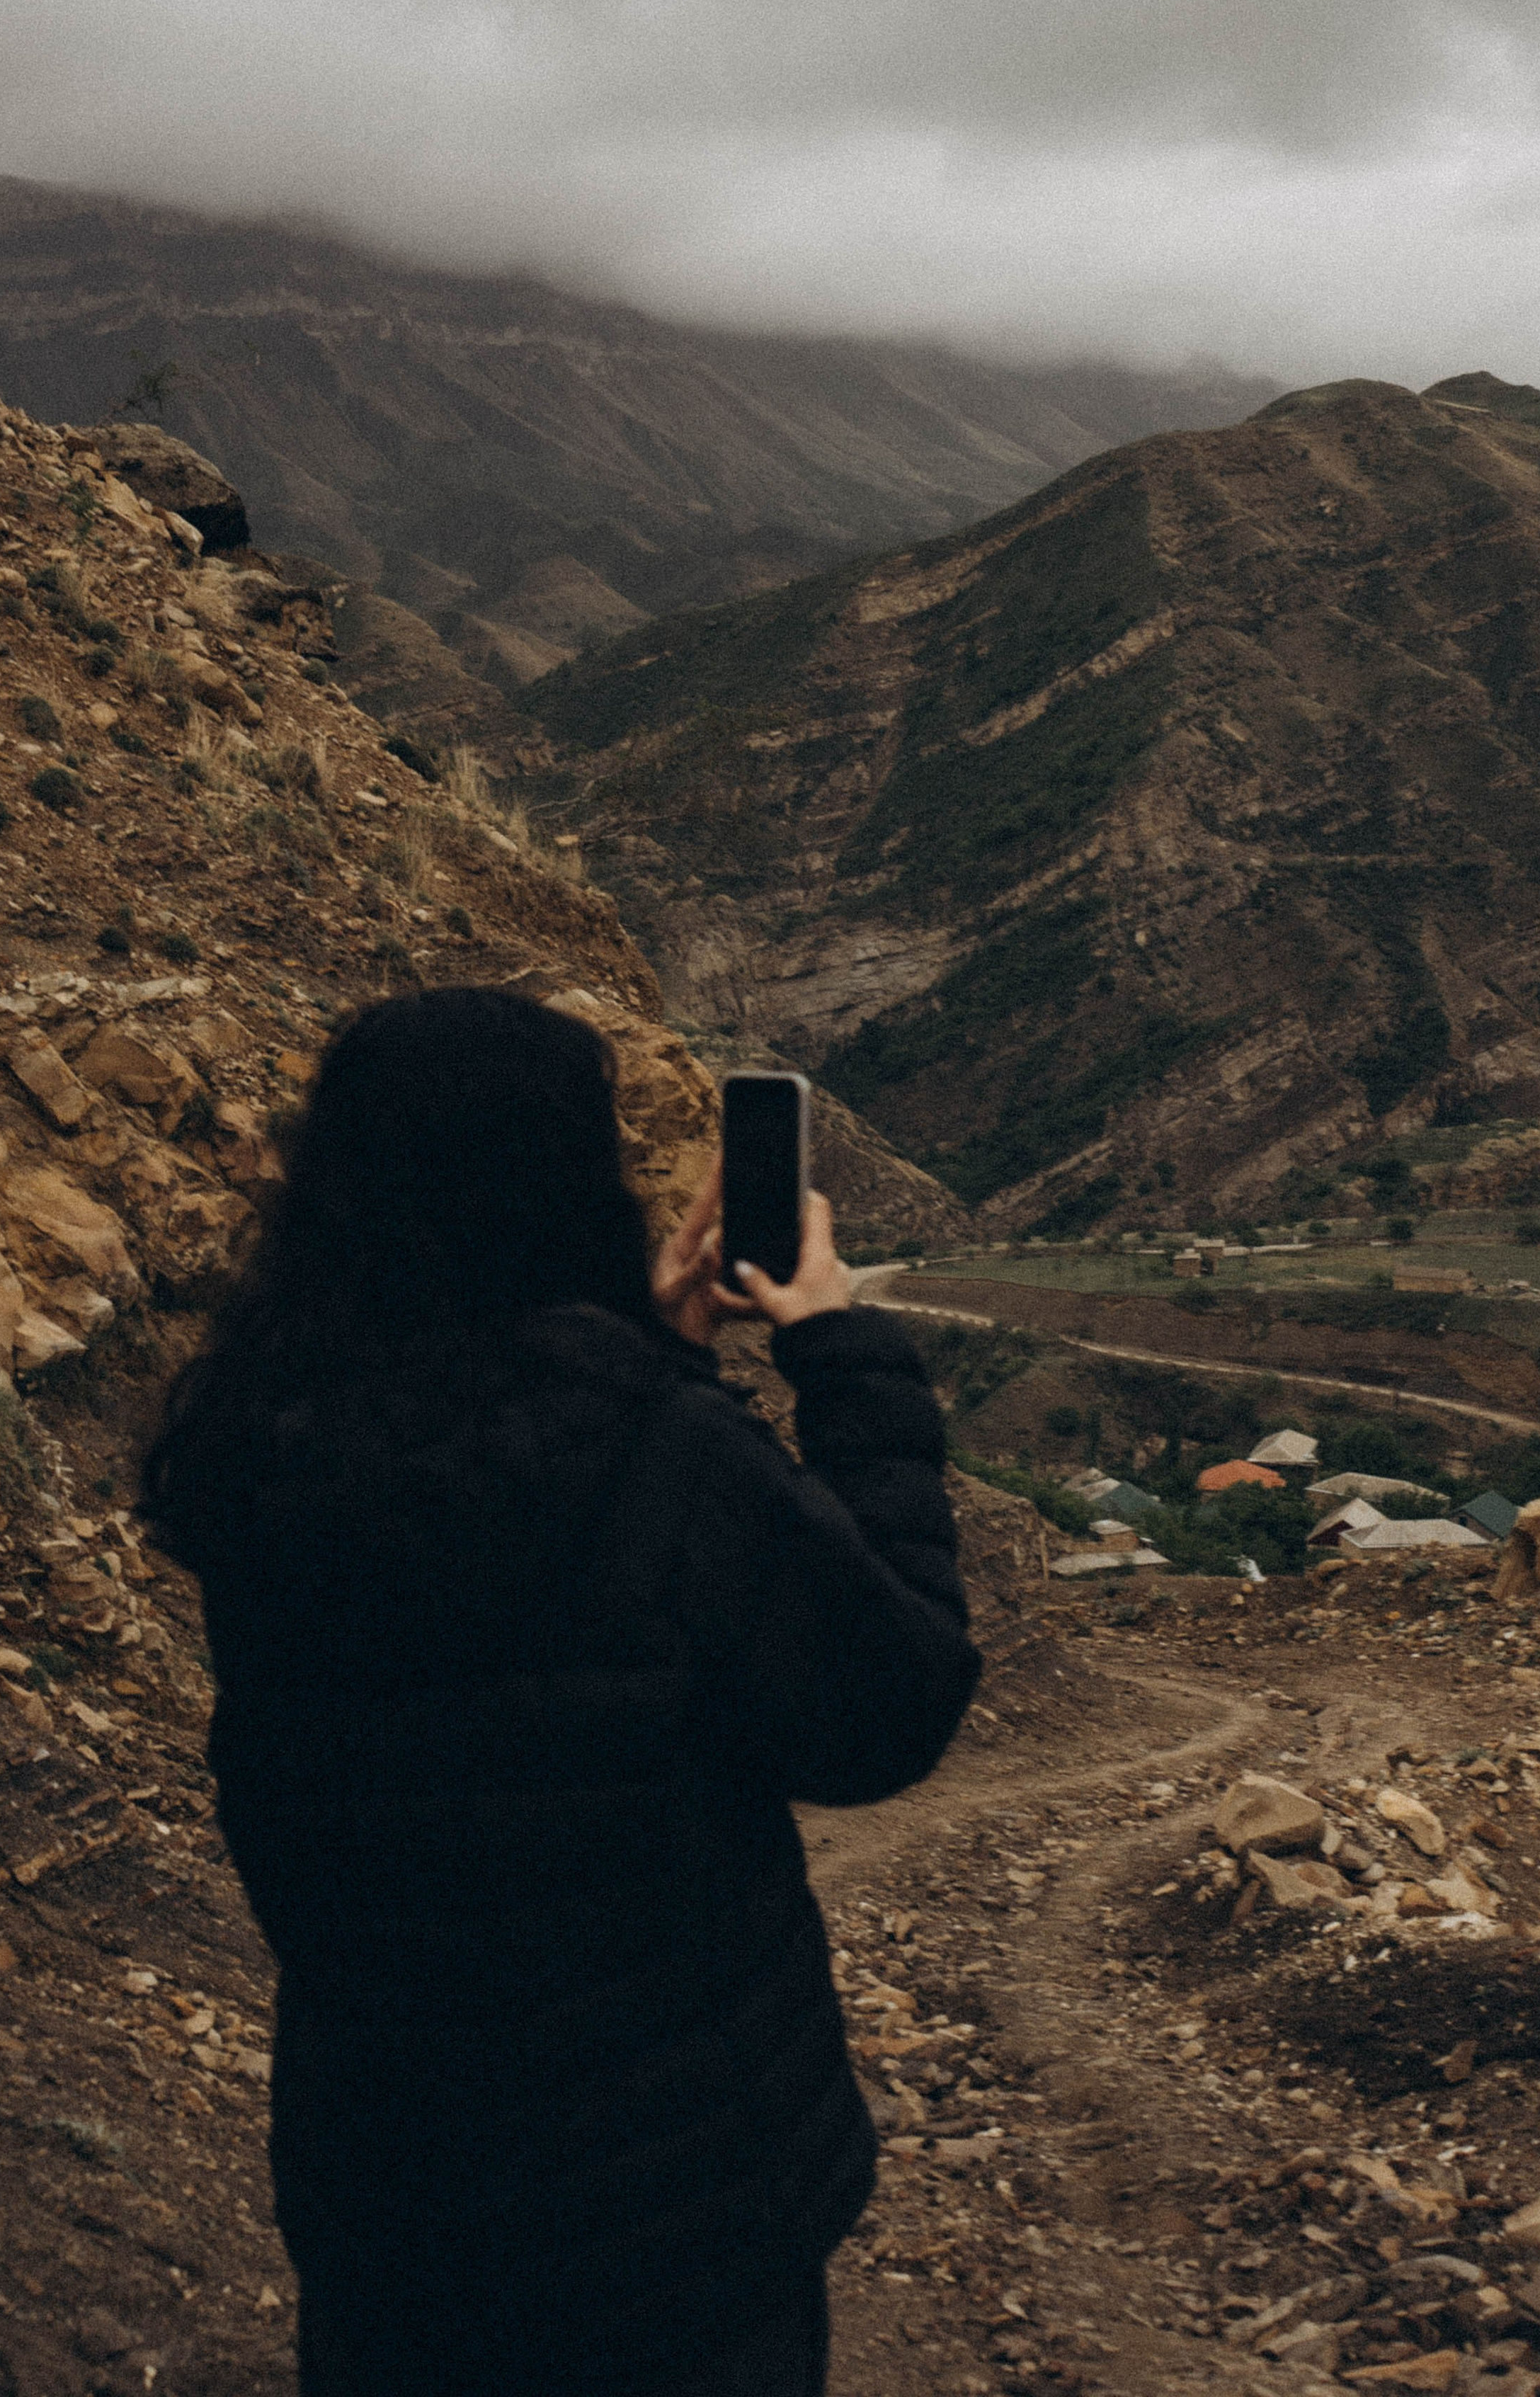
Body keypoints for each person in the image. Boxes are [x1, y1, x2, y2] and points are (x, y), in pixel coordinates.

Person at [142, 986, 979, 2396]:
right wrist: (837, 1354)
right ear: (567, 1182)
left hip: (391, 2214)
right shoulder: (656, 1459)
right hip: (675, 2234)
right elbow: (886, 1703)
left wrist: (646, 1356)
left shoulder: (255, 1461)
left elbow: (476, 1552)